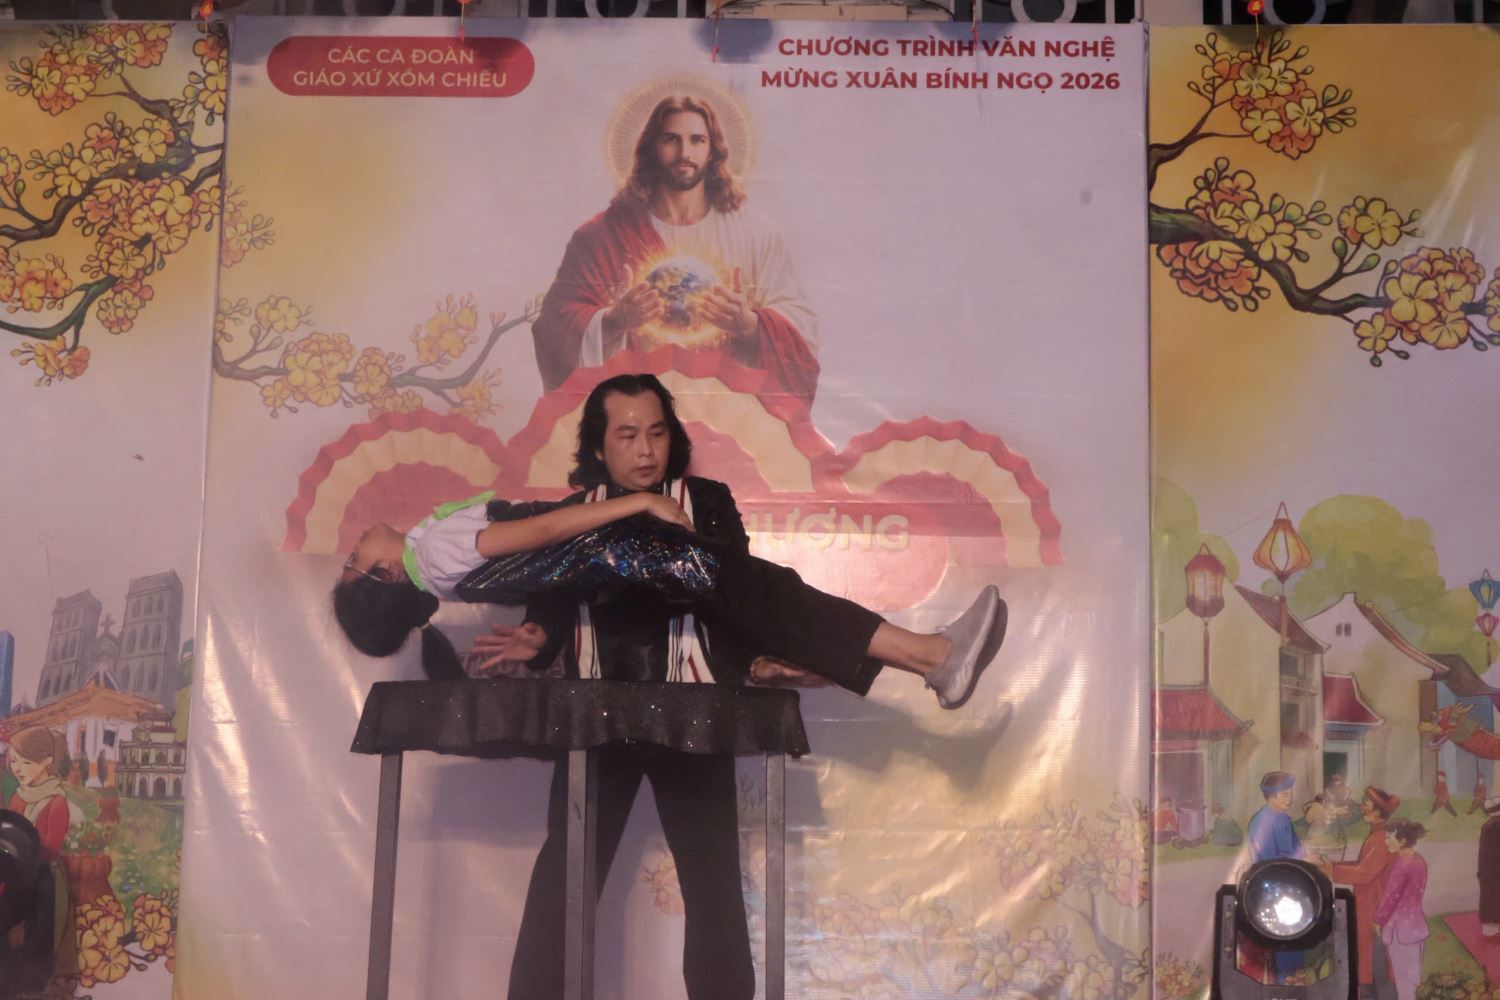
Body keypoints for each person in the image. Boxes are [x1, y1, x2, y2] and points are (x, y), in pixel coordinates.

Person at [331, 374, 1009, 1000]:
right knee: (565, 880)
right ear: (599, 447)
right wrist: (540, 638)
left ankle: (929, 656)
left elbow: (737, 604)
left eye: (657, 432)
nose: (646, 448)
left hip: (694, 713)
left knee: (713, 879)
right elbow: (552, 581)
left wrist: (758, 660)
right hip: (596, 720)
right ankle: (928, 655)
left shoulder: (704, 502)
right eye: (627, 434)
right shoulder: (572, 513)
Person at [532, 95, 819, 399]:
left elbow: (802, 326)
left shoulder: (755, 235)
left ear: (712, 150)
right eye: (671, 139)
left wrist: (749, 324)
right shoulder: (600, 237)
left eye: (697, 140)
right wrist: (613, 321)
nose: (685, 153)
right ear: (651, 148)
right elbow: (552, 327)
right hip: (636, 406)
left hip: (727, 408)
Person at [5, 726, 78, 981]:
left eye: (26, 762)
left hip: (46, 879)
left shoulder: (56, 802)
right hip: (17, 874)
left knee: (40, 931)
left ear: (47, 761)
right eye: (14, 761)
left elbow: (50, 846)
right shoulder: (18, 797)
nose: (17, 769)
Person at [1324, 787, 1399, 998]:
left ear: (1377, 811)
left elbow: (1364, 872)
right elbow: (1362, 865)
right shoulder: (1377, 834)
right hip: (1369, 906)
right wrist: (1333, 867)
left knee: (1377, 966)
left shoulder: (1381, 838)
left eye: (1366, 802)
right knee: (1367, 964)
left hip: (1375, 910)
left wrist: (1332, 870)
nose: (1361, 806)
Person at [1372, 819, 1428, 1000]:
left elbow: (1390, 897)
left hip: (1400, 929)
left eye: (1389, 837)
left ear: (1403, 840)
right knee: (1412, 978)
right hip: (1416, 926)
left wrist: (1377, 920)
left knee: (1405, 980)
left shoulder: (1402, 864)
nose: (1386, 841)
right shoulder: (1418, 860)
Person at [1248, 771, 1304, 863]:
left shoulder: (1285, 818)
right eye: (1285, 795)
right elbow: (1271, 860)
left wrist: (1307, 855)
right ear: (1271, 797)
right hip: (1271, 870)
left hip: (1291, 867)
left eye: (1291, 793)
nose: (1291, 798)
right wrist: (1304, 860)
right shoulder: (1261, 822)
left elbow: (1297, 847)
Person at [1478, 796, 1500, 937]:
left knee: (1489, 895)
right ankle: (1492, 926)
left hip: (1487, 868)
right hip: (1494, 869)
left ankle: (1490, 925)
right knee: (1494, 896)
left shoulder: (1488, 824)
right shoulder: (1496, 825)